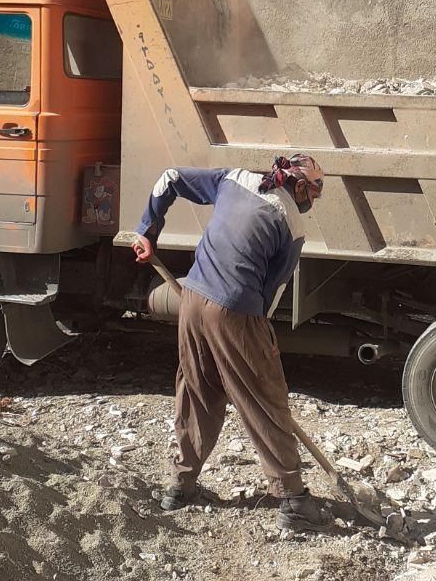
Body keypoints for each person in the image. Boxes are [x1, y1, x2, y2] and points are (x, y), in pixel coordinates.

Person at [131, 154, 327, 532]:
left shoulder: (233, 179)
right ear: (299, 186)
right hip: (235, 310)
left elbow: (169, 177)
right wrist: (257, 348)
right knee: (264, 398)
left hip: (191, 298)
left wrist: (147, 230)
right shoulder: (292, 225)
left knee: (196, 388)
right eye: (314, 192)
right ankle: (293, 499)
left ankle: (180, 485)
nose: (313, 201)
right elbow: (270, 296)